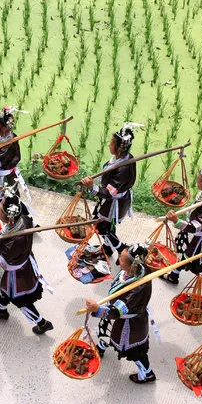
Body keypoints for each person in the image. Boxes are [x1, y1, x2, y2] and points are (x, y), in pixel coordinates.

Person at [0, 189, 53, 335]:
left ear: (9, 217)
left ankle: (42, 323)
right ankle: (1, 311)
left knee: (18, 299)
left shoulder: (14, 242)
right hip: (20, 263)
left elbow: (1, 264)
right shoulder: (23, 219)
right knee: (2, 290)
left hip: (13, 274)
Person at [160, 155, 202, 301]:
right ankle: (173, 275)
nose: (197, 182)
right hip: (191, 234)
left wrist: (177, 222)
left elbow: (197, 227)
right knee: (182, 254)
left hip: (199, 239)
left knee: (196, 267)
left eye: (199, 181)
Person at [84, 243, 156, 384]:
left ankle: (147, 374)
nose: (118, 261)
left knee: (134, 350)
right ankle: (101, 347)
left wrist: (97, 309)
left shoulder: (137, 290)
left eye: (122, 260)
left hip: (130, 323)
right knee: (107, 330)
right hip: (119, 313)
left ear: (132, 265)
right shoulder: (137, 269)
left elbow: (117, 312)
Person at [80, 123, 138, 262]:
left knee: (103, 228)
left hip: (113, 203)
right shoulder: (123, 158)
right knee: (106, 226)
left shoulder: (123, 168)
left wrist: (92, 187)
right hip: (111, 200)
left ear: (118, 148)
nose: (109, 145)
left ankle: (121, 249)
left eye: (112, 143)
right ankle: (107, 248)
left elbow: (110, 193)